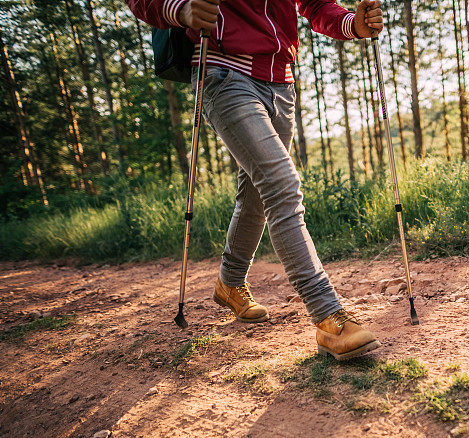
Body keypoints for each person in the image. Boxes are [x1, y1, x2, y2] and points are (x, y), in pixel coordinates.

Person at [127, 0, 384, 360]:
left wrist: (352, 24)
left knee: (256, 197)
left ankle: (230, 283)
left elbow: (317, 5)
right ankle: (329, 318)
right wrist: (180, 10)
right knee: (281, 186)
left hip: (281, 84)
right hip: (223, 73)